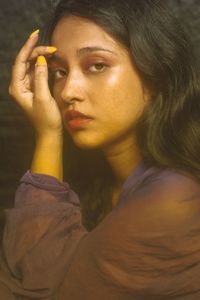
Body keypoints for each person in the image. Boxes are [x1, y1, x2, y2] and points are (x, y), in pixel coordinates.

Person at [1, 0, 200, 299]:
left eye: (97, 65)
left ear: (156, 73)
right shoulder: (99, 183)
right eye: (59, 72)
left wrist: (48, 135)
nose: (68, 92)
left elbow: (38, 287)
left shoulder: (176, 199)